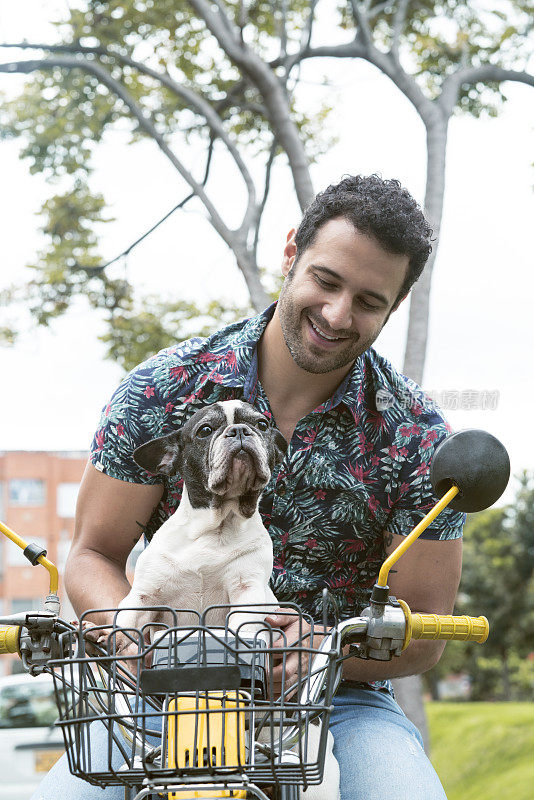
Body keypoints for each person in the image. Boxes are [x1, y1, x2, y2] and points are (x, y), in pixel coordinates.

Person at [32, 175, 463, 799]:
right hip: (159, 684)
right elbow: (92, 554)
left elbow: (424, 627)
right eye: (326, 280)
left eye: (369, 301)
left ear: (394, 307)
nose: (337, 314)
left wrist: (320, 648)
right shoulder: (162, 388)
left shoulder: (418, 436)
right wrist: (138, 640)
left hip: (337, 699)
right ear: (291, 254)